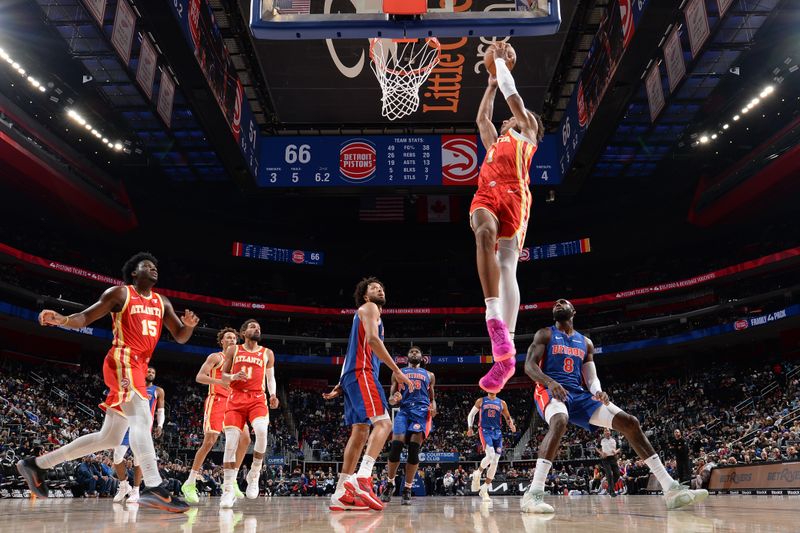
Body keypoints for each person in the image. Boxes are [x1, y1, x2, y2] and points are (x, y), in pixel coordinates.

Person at [17, 252, 197, 513]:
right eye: (148, 266)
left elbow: (180, 336)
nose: (154, 269)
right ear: (134, 273)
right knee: (141, 419)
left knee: (109, 437)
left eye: (156, 266)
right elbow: (86, 318)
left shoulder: (162, 302)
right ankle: (154, 487)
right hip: (123, 359)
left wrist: (189, 326)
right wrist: (63, 320)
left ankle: (37, 465)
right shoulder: (120, 294)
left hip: (139, 365)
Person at [520, 298, 708, 513]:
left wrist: (597, 391)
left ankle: (670, 489)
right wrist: (550, 382)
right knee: (560, 421)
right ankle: (533, 494)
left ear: (573, 311)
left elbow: (591, 378)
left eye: (564, 302)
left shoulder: (586, 342)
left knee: (630, 422)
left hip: (579, 395)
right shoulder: (545, 333)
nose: (559, 302)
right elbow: (529, 366)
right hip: (549, 389)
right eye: (556, 303)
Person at [471, 42, 545, 394]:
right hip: (487, 192)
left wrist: (500, 64)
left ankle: (506, 356)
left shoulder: (528, 129)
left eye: (512, 116)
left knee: (507, 266)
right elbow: (481, 119)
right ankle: (493, 319)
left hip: (517, 193)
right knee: (483, 231)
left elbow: (512, 94)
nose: (507, 117)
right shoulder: (493, 144)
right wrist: (488, 84)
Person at [323, 277, 413, 511]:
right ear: (365, 296)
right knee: (384, 424)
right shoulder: (371, 308)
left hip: (351, 375)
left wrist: (341, 382)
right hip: (363, 372)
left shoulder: (363, 313)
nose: (379, 290)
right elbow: (372, 340)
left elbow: (353, 346)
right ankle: (363, 477)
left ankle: (340, 493)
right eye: (374, 288)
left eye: (381, 288)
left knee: (360, 432)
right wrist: (397, 371)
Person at [181, 327, 250, 503]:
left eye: (235, 338)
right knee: (210, 441)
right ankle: (189, 482)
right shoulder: (216, 357)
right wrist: (220, 381)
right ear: (222, 341)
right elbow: (200, 377)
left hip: (234, 403)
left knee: (245, 439)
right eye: (228, 337)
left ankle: (232, 479)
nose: (232, 340)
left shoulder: (238, 362)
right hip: (217, 400)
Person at [219, 319, 279, 508]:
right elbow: (223, 375)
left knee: (261, 431)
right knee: (230, 443)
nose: (257, 329)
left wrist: (274, 395)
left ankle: (254, 473)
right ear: (243, 332)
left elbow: (271, 377)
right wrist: (233, 377)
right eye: (253, 327)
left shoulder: (267, 353)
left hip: (257, 398)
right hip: (236, 398)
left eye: (259, 327)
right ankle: (228, 490)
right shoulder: (234, 350)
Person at [381, 346, 437, 506]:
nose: (414, 353)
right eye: (411, 352)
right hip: (404, 411)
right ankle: (390, 484)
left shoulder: (430, 375)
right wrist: (394, 399)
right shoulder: (398, 373)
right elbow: (391, 399)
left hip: (421, 413)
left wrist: (434, 406)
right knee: (396, 446)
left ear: (422, 357)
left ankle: (407, 488)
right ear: (407, 357)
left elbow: (432, 398)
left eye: (417, 352)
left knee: (413, 450)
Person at [113, 366, 164, 504]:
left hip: (143, 427)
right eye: (149, 371)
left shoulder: (158, 391)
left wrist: (160, 425)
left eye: (153, 372)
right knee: (117, 456)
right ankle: (124, 486)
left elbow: (160, 411)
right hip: (127, 424)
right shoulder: (134, 387)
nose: (151, 373)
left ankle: (135, 490)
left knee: (137, 460)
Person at [467, 392, 516, 503]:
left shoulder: (502, 403)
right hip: (485, 430)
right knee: (491, 455)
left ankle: (484, 489)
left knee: (495, 461)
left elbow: (507, 417)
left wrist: (511, 424)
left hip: (497, 432)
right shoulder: (481, 401)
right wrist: (470, 427)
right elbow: (471, 414)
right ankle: (478, 472)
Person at [596, 428, 621, 497]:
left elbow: (619, 447)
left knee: (617, 474)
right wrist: (601, 453)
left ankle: (609, 487)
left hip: (613, 458)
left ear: (610, 432)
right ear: (604, 433)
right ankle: (612, 491)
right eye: (605, 431)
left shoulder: (614, 439)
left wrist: (616, 451)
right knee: (609, 474)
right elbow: (597, 448)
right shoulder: (601, 440)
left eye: (608, 431)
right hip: (605, 459)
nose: (606, 432)